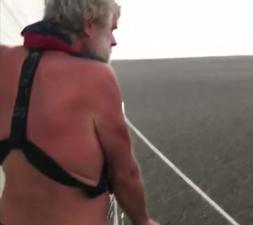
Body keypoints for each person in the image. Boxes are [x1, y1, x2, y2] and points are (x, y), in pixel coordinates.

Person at [0, 0, 159, 225]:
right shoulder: (97, 77)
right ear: (89, 23)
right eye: (111, 29)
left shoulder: (3, 60)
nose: (114, 41)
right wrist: (143, 220)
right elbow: (125, 175)